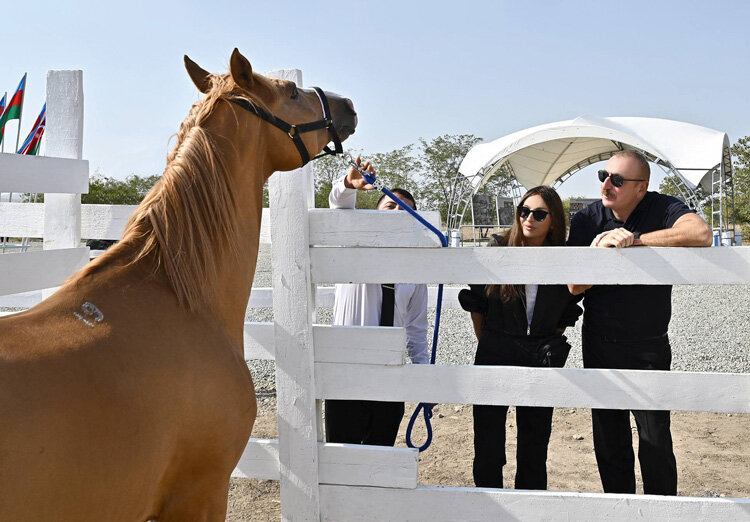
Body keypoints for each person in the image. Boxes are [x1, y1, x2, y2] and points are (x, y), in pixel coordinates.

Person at [567, 150, 713, 495]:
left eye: (617, 180)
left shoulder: (661, 207)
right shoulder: (587, 218)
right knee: (609, 440)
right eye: (604, 175)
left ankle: (662, 513)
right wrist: (598, 256)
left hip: (649, 344)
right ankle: (621, 512)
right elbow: (573, 286)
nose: (607, 184)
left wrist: (634, 241)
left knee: (655, 439)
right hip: (599, 341)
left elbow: (701, 234)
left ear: (641, 187)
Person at [458, 185, 583, 490]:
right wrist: (492, 342)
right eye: (524, 211)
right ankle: (491, 509)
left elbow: (568, 310)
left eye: (539, 214)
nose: (529, 218)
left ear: (554, 220)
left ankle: (530, 506)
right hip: (495, 349)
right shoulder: (497, 251)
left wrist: (541, 339)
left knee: (535, 441)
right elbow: (477, 305)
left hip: (541, 353)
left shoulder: (564, 258)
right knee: (488, 442)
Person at [324, 157, 430, 446]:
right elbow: (340, 205)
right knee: (341, 454)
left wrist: (424, 378)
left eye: (406, 208)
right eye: (391, 205)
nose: (398, 211)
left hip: (389, 372)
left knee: (380, 453)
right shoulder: (353, 246)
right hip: (347, 369)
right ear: (375, 212)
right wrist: (349, 185)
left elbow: (417, 329)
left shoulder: (415, 271)